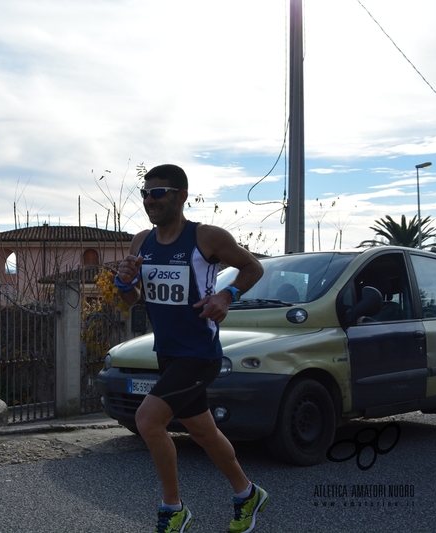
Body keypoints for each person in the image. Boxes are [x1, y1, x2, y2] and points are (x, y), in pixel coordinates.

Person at [115, 164, 268, 533]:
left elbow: (253, 267)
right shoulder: (141, 242)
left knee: (148, 420)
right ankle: (247, 493)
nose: (150, 200)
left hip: (199, 353)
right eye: (145, 193)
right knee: (203, 433)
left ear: (181, 196)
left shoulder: (207, 237)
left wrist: (226, 296)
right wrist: (123, 284)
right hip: (166, 352)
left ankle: (173, 508)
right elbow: (132, 299)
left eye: (158, 193)